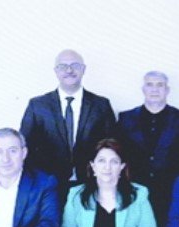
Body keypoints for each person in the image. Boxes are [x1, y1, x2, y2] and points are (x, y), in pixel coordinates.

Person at [19, 49, 117, 189]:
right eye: (63, 66)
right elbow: (25, 145)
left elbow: (111, 145)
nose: (69, 70)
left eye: (75, 65)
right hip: (48, 184)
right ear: (56, 71)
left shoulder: (101, 105)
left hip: (91, 183)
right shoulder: (37, 106)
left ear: (83, 69)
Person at [114, 70, 179, 227]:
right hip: (134, 188)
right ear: (143, 89)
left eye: (160, 85)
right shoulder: (125, 118)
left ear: (167, 90)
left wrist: (170, 174)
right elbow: (119, 151)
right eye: (150, 85)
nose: (154, 89)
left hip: (169, 189)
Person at [58, 139, 159, 227]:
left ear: (122, 167)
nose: (107, 167)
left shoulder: (139, 194)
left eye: (114, 162)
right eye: (101, 161)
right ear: (93, 166)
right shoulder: (76, 195)